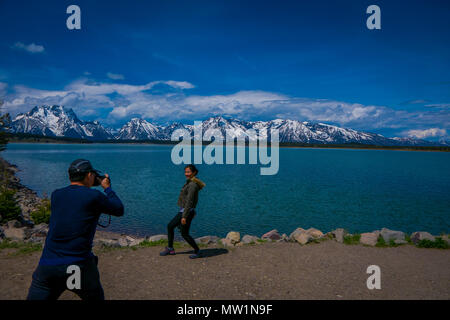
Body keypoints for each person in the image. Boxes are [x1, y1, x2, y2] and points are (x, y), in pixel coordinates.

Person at [27, 159, 124, 300]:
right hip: (78, 265)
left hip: (48, 265)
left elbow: (75, 201)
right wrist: (107, 188)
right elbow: (119, 209)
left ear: (69, 176)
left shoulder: (56, 195)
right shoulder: (94, 196)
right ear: (89, 175)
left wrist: (91, 183)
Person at [160, 164, 205, 259]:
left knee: (180, 231)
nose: (186, 174)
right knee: (173, 227)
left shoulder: (192, 185)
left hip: (185, 212)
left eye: (188, 172)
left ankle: (197, 251)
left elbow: (190, 201)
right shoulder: (190, 182)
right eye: (185, 172)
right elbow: (192, 201)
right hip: (186, 211)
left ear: (194, 172)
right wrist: (192, 210)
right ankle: (171, 248)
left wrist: (184, 216)